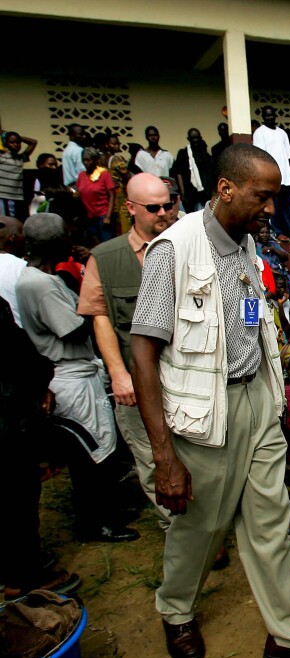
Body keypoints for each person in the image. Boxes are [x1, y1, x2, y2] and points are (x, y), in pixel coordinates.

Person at [130, 145, 290, 658]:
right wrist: (164, 456)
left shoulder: (246, 246)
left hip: (257, 402)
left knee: (271, 525)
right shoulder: (174, 250)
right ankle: (176, 609)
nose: (270, 209)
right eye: (262, 197)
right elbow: (143, 353)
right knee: (201, 527)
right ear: (226, 189)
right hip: (203, 416)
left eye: (274, 197)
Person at [16, 213, 139, 543]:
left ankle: (107, 511)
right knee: (91, 453)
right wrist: (103, 306)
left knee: (100, 447)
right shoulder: (39, 284)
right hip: (70, 375)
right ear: (56, 243)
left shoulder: (41, 278)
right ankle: (96, 522)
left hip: (78, 373)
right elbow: (74, 327)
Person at [77, 173, 173, 529]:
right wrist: (118, 374)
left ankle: (202, 530)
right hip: (137, 381)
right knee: (150, 457)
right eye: (153, 207)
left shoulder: (189, 246)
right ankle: (175, 528)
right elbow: (100, 316)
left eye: (168, 204)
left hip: (186, 376)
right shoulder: (107, 257)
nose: (163, 212)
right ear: (131, 208)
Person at [0, 296, 81, 599]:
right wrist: (41, 380)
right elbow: (24, 361)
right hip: (9, 427)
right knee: (16, 499)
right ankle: (24, 577)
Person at [253, 106, 290, 240]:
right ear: (263, 117)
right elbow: (260, 156)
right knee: (275, 207)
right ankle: (278, 232)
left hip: (285, 177)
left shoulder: (282, 133)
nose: (269, 117)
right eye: (266, 115)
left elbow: (289, 154)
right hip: (271, 178)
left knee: (289, 206)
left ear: (275, 115)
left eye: (271, 115)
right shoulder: (259, 133)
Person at [76, 147, 116, 243]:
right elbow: (79, 192)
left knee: (106, 244)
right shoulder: (82, 175)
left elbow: (111, 195)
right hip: (89, 217)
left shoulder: (104, 174)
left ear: (95, 161)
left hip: (103, 215)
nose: (86, 163)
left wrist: (108, 217)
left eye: (88, 160)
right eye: (84, 160)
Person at [173, 128, 214, 213]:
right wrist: (183, 192)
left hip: (206, 193)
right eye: (193, 138)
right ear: (188, 139)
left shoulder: (205, 154)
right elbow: (179, 173)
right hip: (191, 194)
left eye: (197, 138)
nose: (195, 140)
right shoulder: (183, 154)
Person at [0, 130, 38, 219]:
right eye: (12, 142)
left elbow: (33, 142)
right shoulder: (1, 157)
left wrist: (18, 137)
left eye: (18, 142)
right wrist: (4, 136)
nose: (16, 145)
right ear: (6, 143)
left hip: (15, 196)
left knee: (13, 221)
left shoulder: (21, 158)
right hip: (2, 196)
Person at [102, 134, 133, 234]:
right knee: (124, 222)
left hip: (107, 195)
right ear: (107, 145)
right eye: (114, 144)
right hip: (119, 194)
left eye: (117, 143)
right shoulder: (117, 159)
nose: (117, 146)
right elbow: (127, 175)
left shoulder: (101, 159)